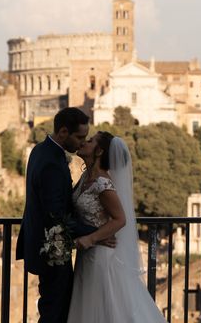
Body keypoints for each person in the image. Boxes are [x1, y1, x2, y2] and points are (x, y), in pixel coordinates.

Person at [67, 131, 166, 322]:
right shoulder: (86, 177)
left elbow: (120, 219)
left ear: (99, 152)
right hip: (86, 255)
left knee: (104, 306)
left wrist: (91, 238)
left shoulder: (102, 183)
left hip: (100, 254)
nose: (84, 142)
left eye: (90, 141)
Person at [16, 107, 100, 323]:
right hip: (52, 249)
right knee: (55, 311)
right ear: (63, 132)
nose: (82, 142)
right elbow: (56, 215)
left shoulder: (40, 150)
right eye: (79, 137)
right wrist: (96, 233)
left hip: (44, 244)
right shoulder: (52, 163)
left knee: (54, 306)